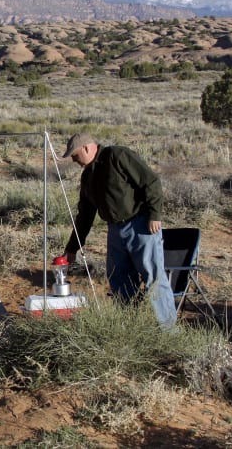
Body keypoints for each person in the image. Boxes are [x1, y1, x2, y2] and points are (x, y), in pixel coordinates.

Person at [61, 133, 176, 328]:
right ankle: (128, 328)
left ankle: (169, 332)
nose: (73, 160)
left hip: (141, 226)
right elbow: (85, 215)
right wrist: (73, 247)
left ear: (87, 148)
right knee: (119, 278)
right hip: (115, 230)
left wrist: (154, 214)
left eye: (75, 155)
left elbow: (150, 182)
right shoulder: (88, 176)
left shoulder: (117, 155)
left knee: (153, 278)